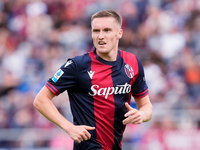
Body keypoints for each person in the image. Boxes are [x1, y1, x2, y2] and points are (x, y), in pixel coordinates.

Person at [33, 9, 153, 150]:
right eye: (96, 31)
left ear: (119, 33)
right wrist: (69, 127)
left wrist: (141, 114)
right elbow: (40, 100)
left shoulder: (132, 62)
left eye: (107, 30)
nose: (100, 36)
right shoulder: (77, 66)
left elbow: (147, 107)